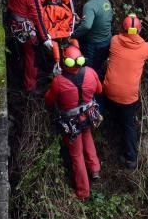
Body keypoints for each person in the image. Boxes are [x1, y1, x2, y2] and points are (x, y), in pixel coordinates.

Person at [104, 14, 148, 170]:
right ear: (139, 30)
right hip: (128, 97)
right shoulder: (144, 48)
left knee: (114, 112)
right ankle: (130, 159)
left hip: (108, 92)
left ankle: (109, 127)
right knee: (129, 125)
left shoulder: (115, 41)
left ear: (123, 28)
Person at [44, 45, 103, 200]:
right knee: (87, 135)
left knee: (76, 155)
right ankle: (95, 169)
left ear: (66, 62)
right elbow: (99, 90)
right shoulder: (90, 72)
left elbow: (49, 101)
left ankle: (83, 192)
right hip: (89, 116)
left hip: (71, 123)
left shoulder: (59, 81)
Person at [6, 0, 49, 92]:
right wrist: (45, 38)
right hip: (25, 30)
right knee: (33, 56)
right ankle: (30, 88)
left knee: (23, 53)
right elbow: (39, 17)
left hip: (13, 24)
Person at [71, 0, 113, 76]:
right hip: (107, 41)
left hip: (94, 45)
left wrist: (72, 35)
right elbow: (103, 19)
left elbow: (87, 26)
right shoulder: (106, 1)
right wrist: (81, 20)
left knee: (89, 70)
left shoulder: (89, 5)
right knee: (99, 67)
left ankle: (91, 88)